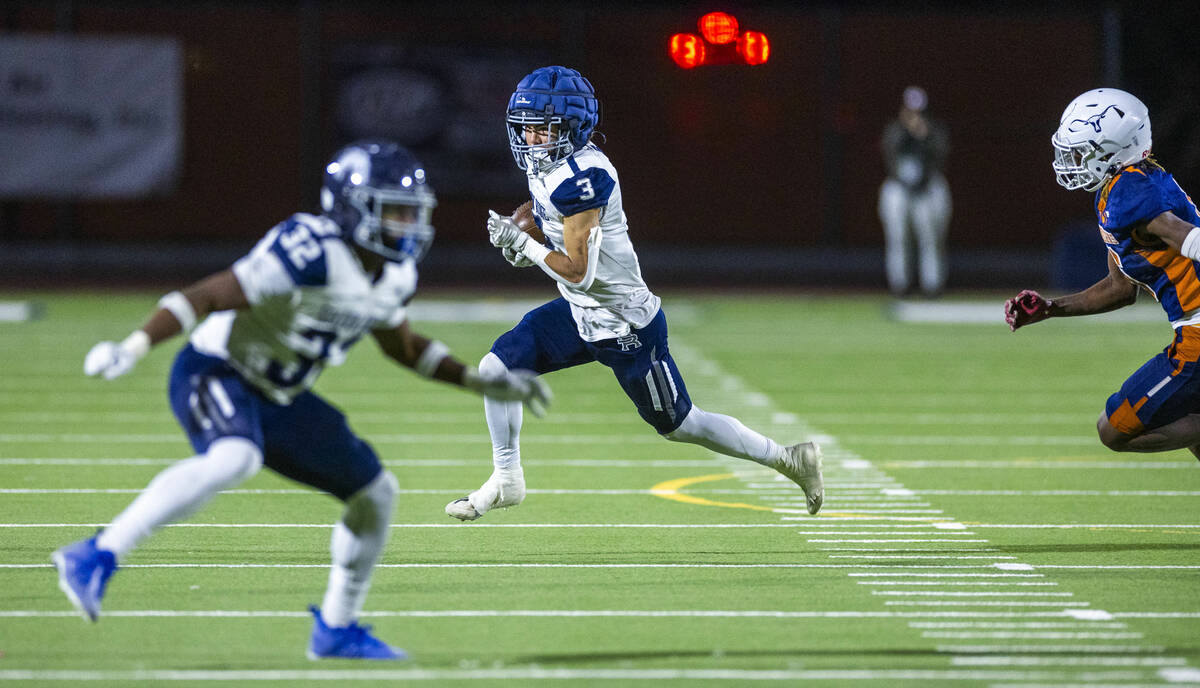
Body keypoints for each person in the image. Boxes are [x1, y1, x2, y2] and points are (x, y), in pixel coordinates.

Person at [51, 140, 551, 660]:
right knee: (235, 456)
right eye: (394, 212)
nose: (407, 225)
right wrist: (133, 346)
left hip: (279, 393)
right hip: (216, 371)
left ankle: (335, 630)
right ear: (352, 208)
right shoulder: (309, 251)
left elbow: (402, 346)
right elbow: (206, 296)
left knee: (376, 494)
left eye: (411, 212)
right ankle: (96, 555)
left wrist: (478, 381)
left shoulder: (395, 273)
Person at [442, 65, 823, 522]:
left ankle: (789, 459)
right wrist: (524, 245)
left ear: (571, 127)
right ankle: (506, 479)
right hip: (579, 312)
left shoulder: (585, 177)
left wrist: (523, 243)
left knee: (683, 425)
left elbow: (579, 272)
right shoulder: (547, 168)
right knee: (495, 368)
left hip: (625, 324)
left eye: (542, 128)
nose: (531, 138)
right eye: (525, 128)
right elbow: (557, 242)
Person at [1005, 88, 1200, 458]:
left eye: (1082, 150)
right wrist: (1051, 308)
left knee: (1113, 429)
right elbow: (1121, 288)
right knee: (1188, 424)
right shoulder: (1123, 186)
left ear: (1112, 149)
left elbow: (1185, 236)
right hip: (1192, 331)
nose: (1072, 158)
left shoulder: (1129, 191)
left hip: (1197, 338)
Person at [879, 85, 952, 297]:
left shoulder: (933, 130)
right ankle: (900, 285)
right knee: (898, 236)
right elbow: (889, 152)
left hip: (927, 187)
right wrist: (907, 132)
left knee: (931, 236)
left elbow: (941, 154)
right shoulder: (894, 129)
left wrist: (923, 135)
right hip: (899, 187)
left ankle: (932, 287)